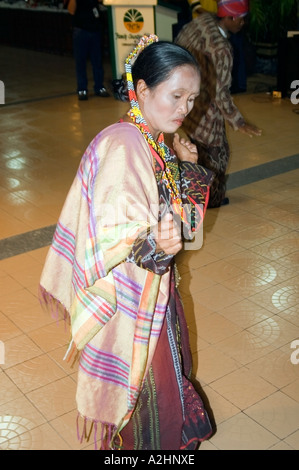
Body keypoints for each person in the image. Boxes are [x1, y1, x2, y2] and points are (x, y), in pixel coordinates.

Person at [39, 35, 214, 450]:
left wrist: (187, 168)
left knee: (164, 373)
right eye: (176, 96)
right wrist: (155, 242)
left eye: (192, 99)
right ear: (142, 91)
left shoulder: (155, 141)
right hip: (130, 299)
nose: (185, 109)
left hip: (153, 292)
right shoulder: (124, 144)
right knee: (146, 387)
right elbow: (117, 236)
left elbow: (185, 227)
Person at [176, 0, 262, 208]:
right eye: (241, 19)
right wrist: (238, 122)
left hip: (184, 103)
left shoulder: (203, 21)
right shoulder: (221, 49)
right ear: (230, 18)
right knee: (217, 156)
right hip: (205, 111)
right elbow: (220, 92)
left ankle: (184, 189)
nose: (243, 24)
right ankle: (211, 200)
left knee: (195, 150)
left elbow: (178, 44)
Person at [67, 0, 110, 100]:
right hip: (81, 30)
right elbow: (71, 10)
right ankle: (82, 89)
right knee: (80, 62)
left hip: (95, 30)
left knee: (97, 62)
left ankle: (99, 86)